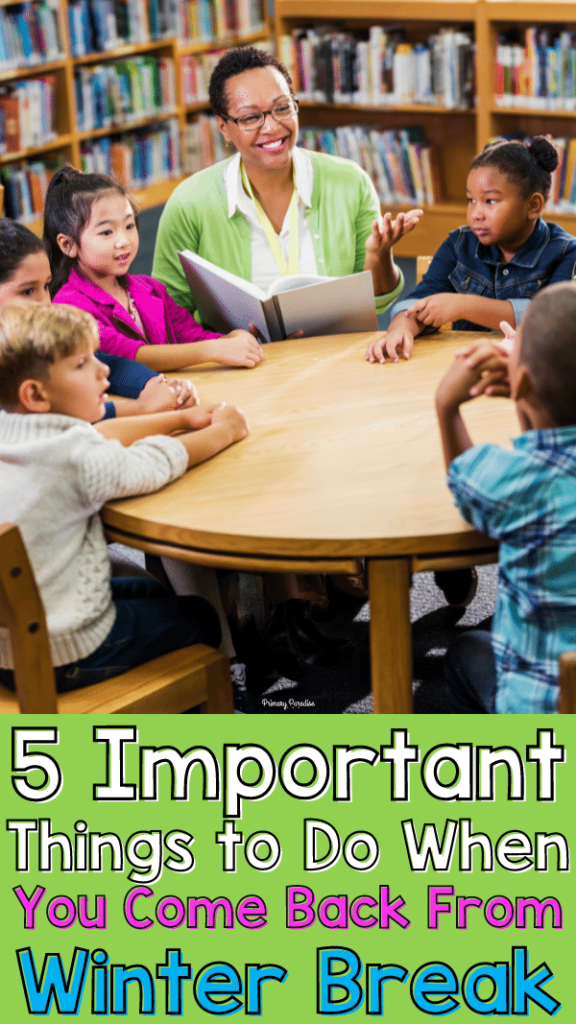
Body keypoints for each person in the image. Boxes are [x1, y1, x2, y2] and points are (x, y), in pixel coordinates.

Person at [0, 303, 249, 693]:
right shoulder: (74, 458)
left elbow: (101, 436)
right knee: (199, 616)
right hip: (61, 655)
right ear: (34, 394)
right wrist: (224, 431)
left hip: (10, 637)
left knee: (149, 590)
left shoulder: (14, 431)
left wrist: (183, 419)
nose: (103, 371)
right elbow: (153, 463)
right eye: (82, 364)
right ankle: (197, 712)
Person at [152, 46, 422, 327]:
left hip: (334, 357)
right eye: (251, 117)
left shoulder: (349, 182)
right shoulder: (189, 202)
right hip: (236, 364)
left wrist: (379, 255)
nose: (271, 127)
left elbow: (378, 301)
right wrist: (217, 346)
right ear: (223, 127)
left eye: (282, 108)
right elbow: (168, 313)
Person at [435, 281, 576, 714]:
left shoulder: (516, 482)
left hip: (543, 713)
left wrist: (447, 405)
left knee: (463, 654)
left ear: (523, 384)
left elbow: (467, 484)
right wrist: (526, 386)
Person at [368, 135, 576, 365]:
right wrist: (400, 329)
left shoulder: (566, 253)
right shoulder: (459, 245)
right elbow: (419, 300)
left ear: (533, 205)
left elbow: (554, 321)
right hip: (467, 370)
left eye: (490, 201)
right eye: (471, 200)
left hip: (533, 373)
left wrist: (462, 306)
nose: (476, 214)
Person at [45, 167, 263, 372]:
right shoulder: (68, 308)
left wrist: (231, 339)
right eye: (106, 232)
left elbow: (191, 336)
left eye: (129, 226)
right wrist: (213, 350)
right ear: (68, 245)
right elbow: (130, 357)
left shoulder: (150, 288)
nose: (123, 241)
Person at [0, 218, 197, 417]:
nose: (44, 303)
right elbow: (66, 423)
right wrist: (143, 407)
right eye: (27, 292)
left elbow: (111, 365)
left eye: (45, 287)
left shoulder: (37, 341)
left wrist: (155, 384)